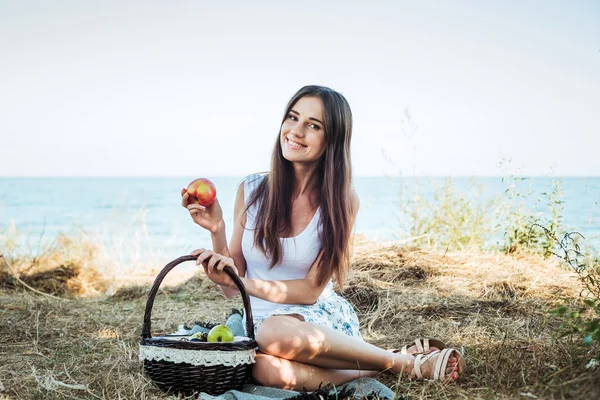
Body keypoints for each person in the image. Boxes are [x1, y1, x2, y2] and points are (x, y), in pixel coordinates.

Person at [181, 85, 464, 391]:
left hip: (311, 319)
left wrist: (239, 283)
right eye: (292, 118)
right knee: (262, 369)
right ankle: (381, 363)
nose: (296, 131)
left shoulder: (341, 202)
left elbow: (310, 291)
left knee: (273, 334)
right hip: (259, 325)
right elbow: (230, 290)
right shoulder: (250, 190)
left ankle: (407, 365)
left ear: (332, 140)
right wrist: (217, 231)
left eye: (313, 126)